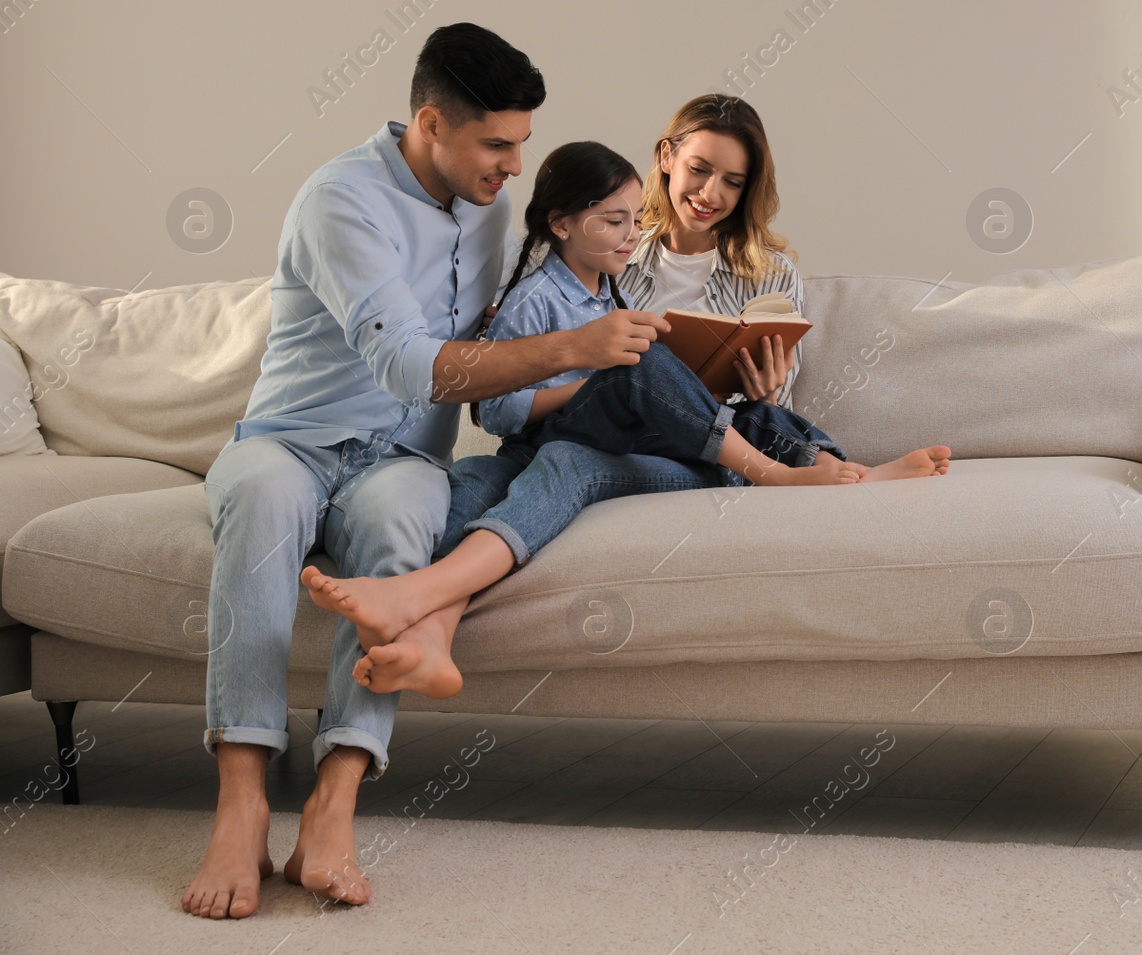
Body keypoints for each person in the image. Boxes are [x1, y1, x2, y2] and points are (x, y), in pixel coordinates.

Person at [181, 22, 661, 919]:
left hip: (400, 457)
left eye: (521, 144)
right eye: (497, 144)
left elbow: (550, 292)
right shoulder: (341, 200)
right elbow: (408, 364)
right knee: (258, 500)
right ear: (431, 124)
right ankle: (241, 800)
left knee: (407, 519)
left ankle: (335, 799)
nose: (515, 166)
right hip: (290, 437)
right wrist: (573, 346)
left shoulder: (491, 205)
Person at [300, 98, 949, 696]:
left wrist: (757, 377)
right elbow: (503, 384)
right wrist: (575, 359)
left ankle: (810, 470)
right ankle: (427, 631)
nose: (712, 193)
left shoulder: (735, 271)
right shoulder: (613, 262)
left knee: (705, 400)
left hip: (691, 426)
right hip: (607, 432)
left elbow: (734, 387)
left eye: (734, 181)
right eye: (700, 170)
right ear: (666, 158)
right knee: (470, 481)